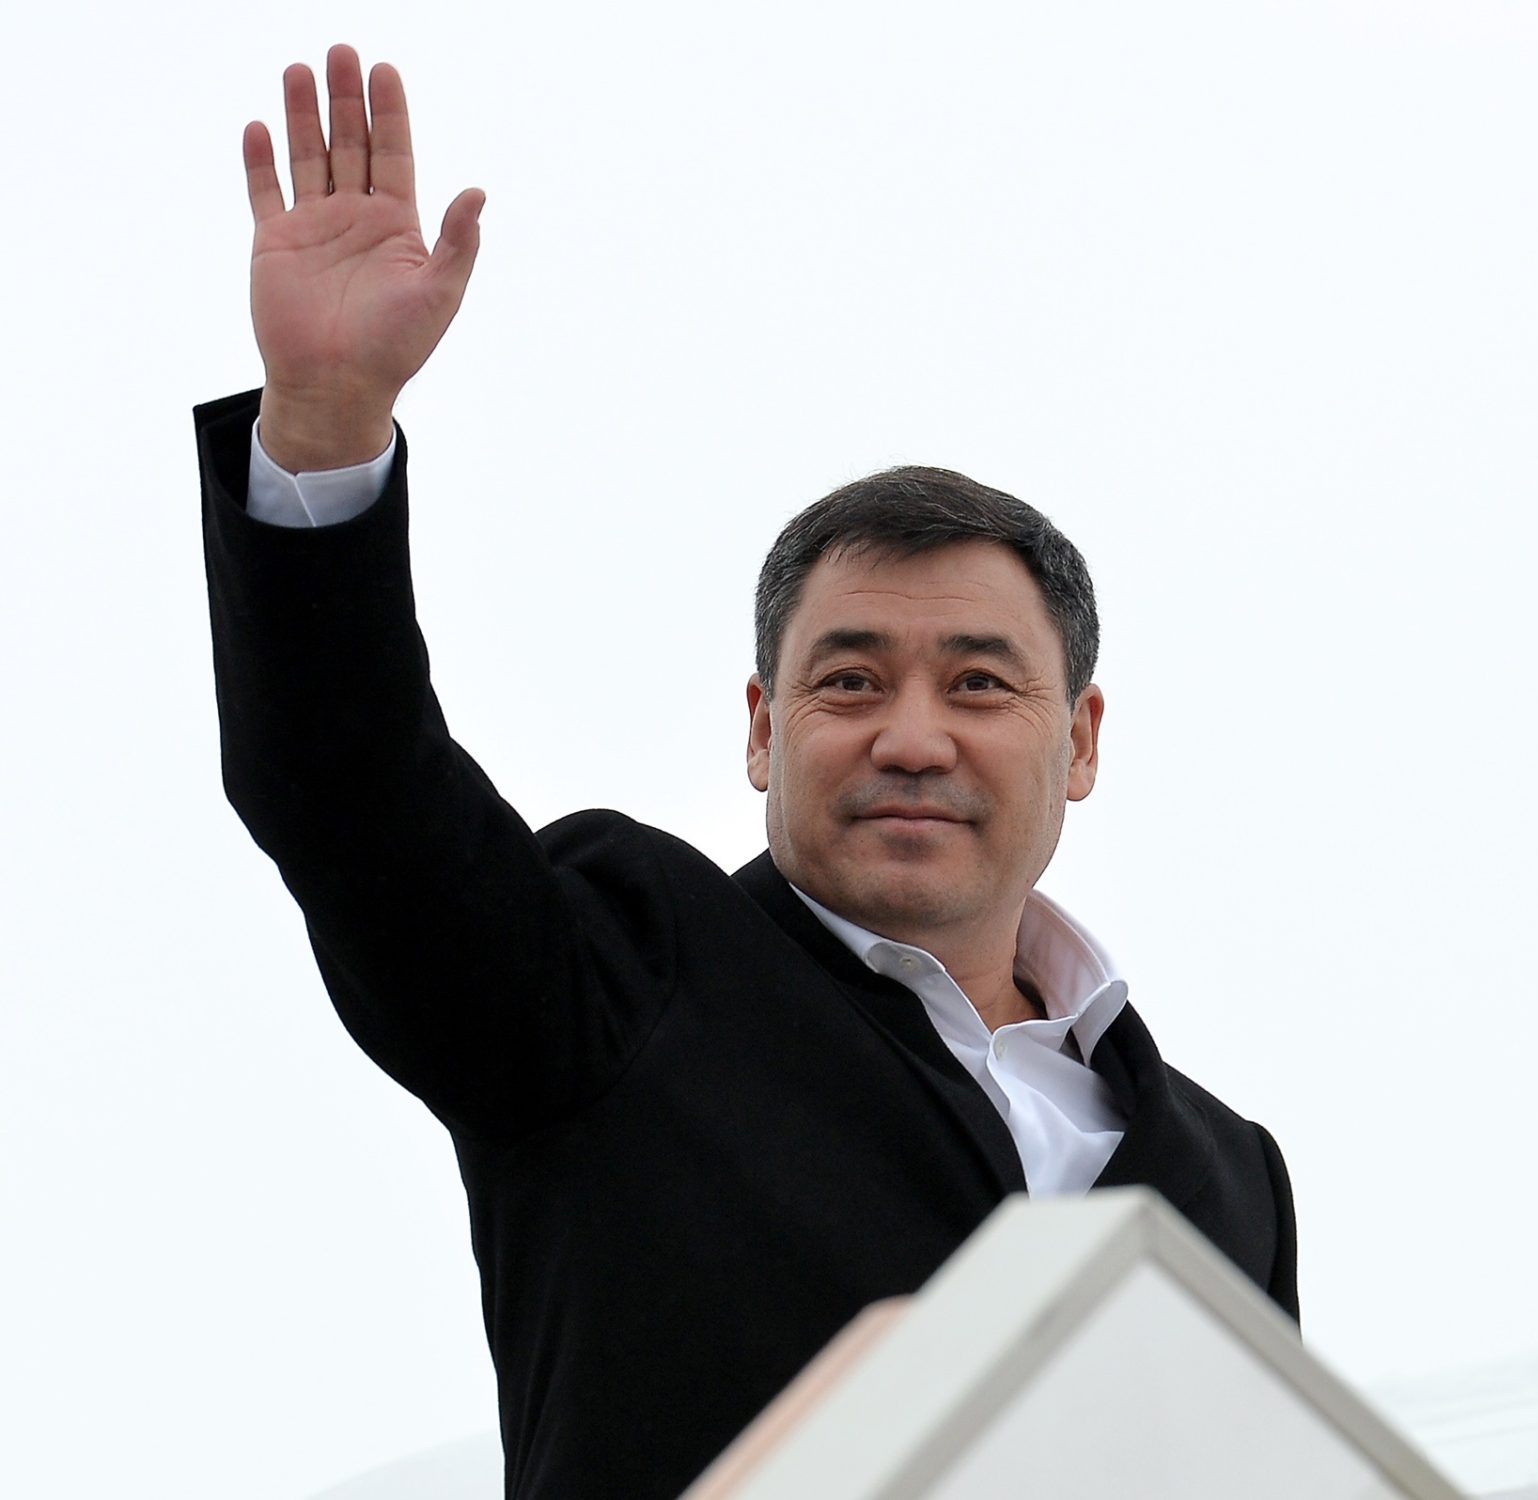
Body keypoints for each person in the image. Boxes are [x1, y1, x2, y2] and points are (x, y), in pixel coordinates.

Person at [200, 45, 1295, 1500]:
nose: (914, 736)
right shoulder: (618, 978)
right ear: (764, 731)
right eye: (849, 682)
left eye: (979, 683)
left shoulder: (1229, 1172)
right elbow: (350, 797)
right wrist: (327, 426)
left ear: (1080, 739)